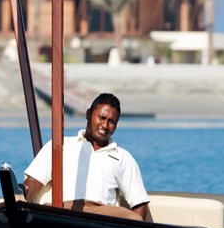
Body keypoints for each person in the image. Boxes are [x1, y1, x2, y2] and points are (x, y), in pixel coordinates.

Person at [24, 93, 150, 221]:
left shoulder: (123, 157)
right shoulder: (60, 145)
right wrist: (21, 194)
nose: (105, 125)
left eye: (111, 122)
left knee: (132, 217)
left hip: (104, 219)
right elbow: (33, 182)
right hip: (66, 212)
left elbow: (139, 205)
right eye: (101, 117)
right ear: (88, 114)